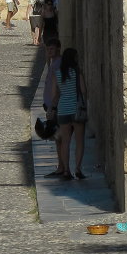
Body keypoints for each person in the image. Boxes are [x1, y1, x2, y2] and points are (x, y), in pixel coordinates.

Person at [47, 47, 86, 181]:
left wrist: (51, 108)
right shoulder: (77, 72)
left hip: (63, 110)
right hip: (76, 110)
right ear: (74, 58)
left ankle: (66, 171)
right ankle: (78, 169)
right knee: (79, 141)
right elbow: (84, 90)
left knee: (65, 142)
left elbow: (55, 95)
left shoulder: (57, 74)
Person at [40, 39, 65, 177]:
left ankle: (62, 167)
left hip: (55, 107)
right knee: (57, 138)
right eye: (47, 49)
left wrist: (53, 107)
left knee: (59, 137)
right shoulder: (53, 63)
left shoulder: (58, 64)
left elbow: (59, 88)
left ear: (58, 49)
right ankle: (61, 166)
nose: (49, 51)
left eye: (52, 49)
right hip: (51, 105)